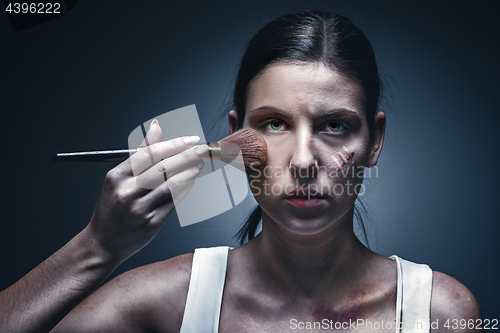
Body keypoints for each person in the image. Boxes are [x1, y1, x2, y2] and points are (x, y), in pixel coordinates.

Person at [0, 11, 481, 333]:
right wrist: (96, 249)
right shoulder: (161, 303)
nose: (302, 161)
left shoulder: (440, 312)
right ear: (234, 137)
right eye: (273, 124)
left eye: (335, 126)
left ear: (374, 141)